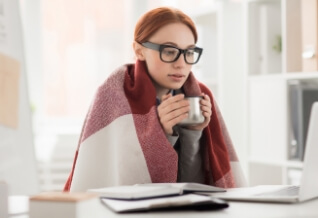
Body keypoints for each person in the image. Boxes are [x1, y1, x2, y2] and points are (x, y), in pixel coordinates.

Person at [64, 7, 246, 192]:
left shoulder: (199, 94)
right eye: (169, 51)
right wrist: (160, 134)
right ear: (139, 50)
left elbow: (193, 186)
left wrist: (194, 131)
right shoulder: (113, 96)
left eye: (189, 52)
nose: (181, 64)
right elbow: (123, 185)